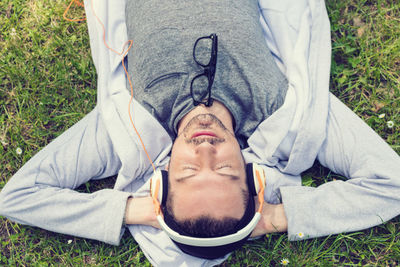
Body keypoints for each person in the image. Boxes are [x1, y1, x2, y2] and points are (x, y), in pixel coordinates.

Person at [1, 0, 399, 265]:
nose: (204, 149)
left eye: (187, 172)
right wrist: (278, 216)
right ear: (251, 175)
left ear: (159, 184)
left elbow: (18, 198)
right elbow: (392, 185)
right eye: (226, 171)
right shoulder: (282, 110)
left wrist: (133, 211)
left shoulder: (130, 126)